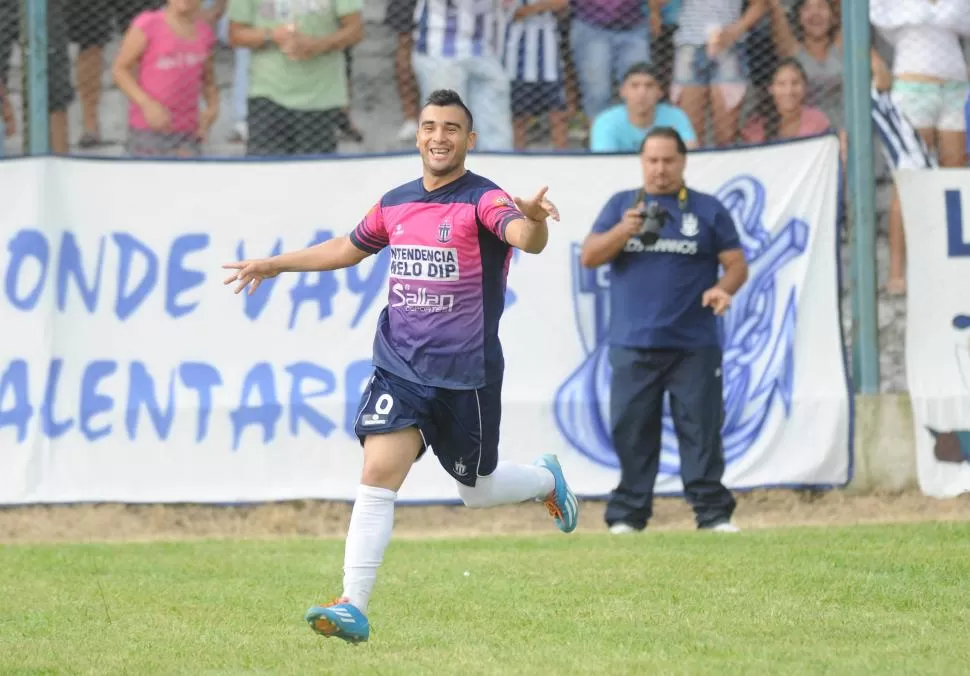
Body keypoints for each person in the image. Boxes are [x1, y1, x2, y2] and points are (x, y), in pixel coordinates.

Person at [222, 89, 579, 643]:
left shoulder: (485, 200)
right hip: (401, 369)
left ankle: (542, 479)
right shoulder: (396, 203)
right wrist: (276, 264)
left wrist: (532, 218)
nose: (439, 137)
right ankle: (353, 607)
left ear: (469, 140)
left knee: (476, 491)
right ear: (417, 136)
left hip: (468, 375)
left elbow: (523, 238)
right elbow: (347, 246)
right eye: (430, 126)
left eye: (452, 128)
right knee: (377, 476)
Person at [578, 126, 747, 535]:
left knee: (701, 432)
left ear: (683, 161)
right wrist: (623, 230)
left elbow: (737, 264)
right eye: (652, 161)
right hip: (633, 345)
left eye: (668, 160)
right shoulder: (622, 206)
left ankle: (713, 515)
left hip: (694, 345)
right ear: (642, 163)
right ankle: (627, 517)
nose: (659, 169)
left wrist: (723, 290)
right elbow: (589, 257)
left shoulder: (708, 210)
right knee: (632, 432)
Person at [112, 0, 219, 157]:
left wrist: (212, 109)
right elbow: (120, 70)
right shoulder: (149, 24)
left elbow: (208, 79)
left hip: (188, 134)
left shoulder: (205, 32)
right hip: (148, 132)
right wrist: (146, 104)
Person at [590, 62, 697, 152]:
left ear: (660, 92)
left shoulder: (676, 116)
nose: (642, 93)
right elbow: (604, 163)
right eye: (634, 86)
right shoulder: (605, 121)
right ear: (623, 91)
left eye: (649, 86)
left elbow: (690, 151)